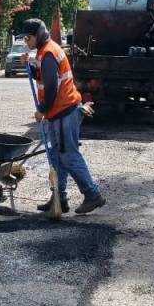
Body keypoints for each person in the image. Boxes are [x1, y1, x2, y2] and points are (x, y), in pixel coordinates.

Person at [22, 18, 106, 215]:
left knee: (68, 156)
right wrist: (31, 67)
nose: (26, 41)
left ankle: (92, 195)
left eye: (28, 37)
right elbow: (45, 77)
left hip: (64, 113)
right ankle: (59, 198)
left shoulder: (49, 53)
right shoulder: (45, 52)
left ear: (38, 35)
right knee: (57, 158)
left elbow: (51, 87)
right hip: (60, 113)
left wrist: (42, 109)